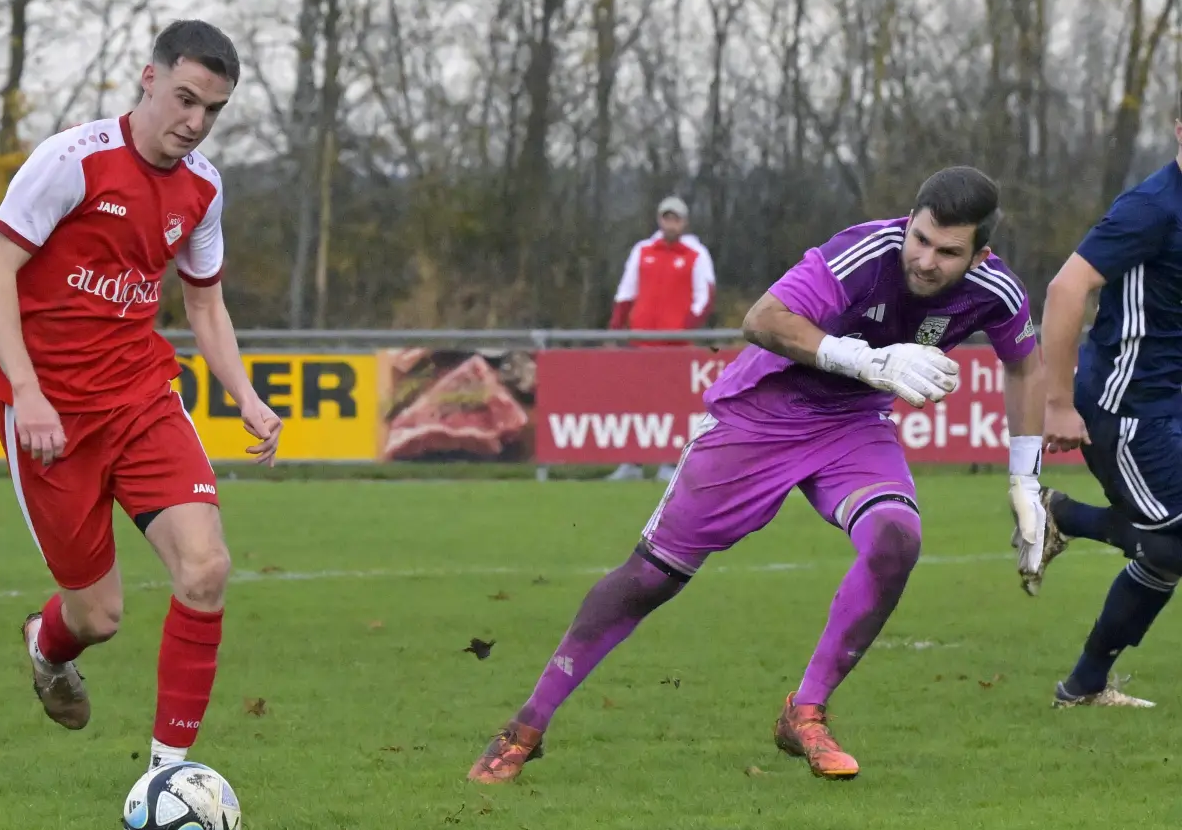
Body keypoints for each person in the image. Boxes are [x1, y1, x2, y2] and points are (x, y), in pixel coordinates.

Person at [469, 166, 1046, 783]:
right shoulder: (864, 252)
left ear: (979, 253)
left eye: (948, 251)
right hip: (761, 412)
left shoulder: (997, 289)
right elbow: (763, 319)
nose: (927, 260)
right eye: (922, 239)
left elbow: (1025, 367)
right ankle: (526, 725)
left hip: (851, 423)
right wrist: (864, 357)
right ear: (911, 221)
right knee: (649, 578)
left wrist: (1025, 480)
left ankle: (806, 712)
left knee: (896, 538)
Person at [0, 20, 282, 773]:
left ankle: (168, 777)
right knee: (98, 616)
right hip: (52, 418)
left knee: (205, 569)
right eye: (184, 99)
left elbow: (205, 305)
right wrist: (29, 392)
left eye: (213, 109)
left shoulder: (203, 186)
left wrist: (243, 393)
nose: (195, 122)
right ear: (148, 79)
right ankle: (48, 648)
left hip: (142, 398)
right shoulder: (72, 162)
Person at [1029, 109, 1182, 709]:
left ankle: (1084, 687)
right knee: (1170, 544)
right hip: (1126, 409)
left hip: (1167, 402)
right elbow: (1066, 288)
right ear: (1178, 126)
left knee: (1166, 551)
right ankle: (1067, 516)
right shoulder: (1152, 208)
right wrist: (1059, 404)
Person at [607, 195, 718, 481]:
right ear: (659, 219)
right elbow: (626, 291)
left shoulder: (696, 254)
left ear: (684, 221)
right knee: (635, 403)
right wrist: (617, 328)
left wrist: (682, 327)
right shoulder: (643, 250)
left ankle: (670, 463)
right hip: (641, 343)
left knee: (674, 405)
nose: (671, 223)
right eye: (666, 217)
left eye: (676, 218)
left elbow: (704, 298)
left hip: (675, 347)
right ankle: (631, 463)